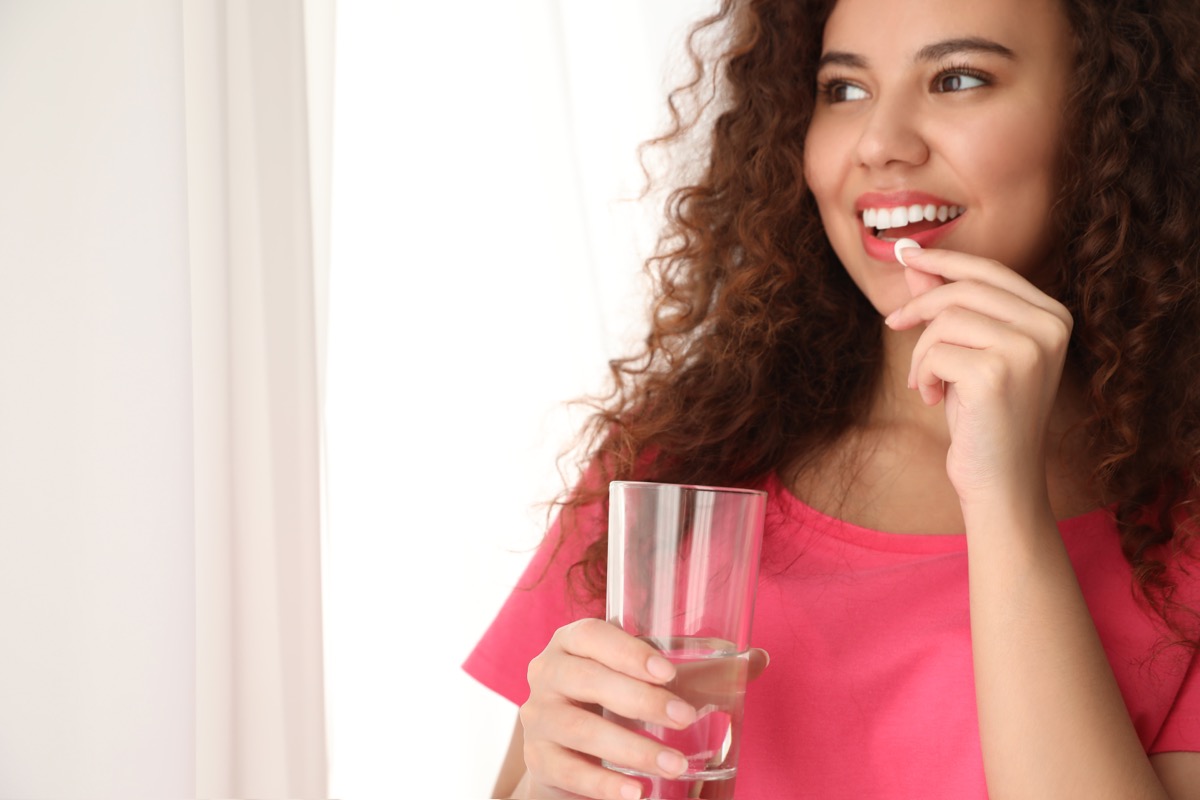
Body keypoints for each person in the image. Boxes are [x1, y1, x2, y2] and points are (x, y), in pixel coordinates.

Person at [464, 0, 1200, 796]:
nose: (880, 144)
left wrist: (1002, 499)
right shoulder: (675, 457)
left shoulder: (1181, 521)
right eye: (843, 90)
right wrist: (554, 780)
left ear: (1106, 118)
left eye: (957, 79)